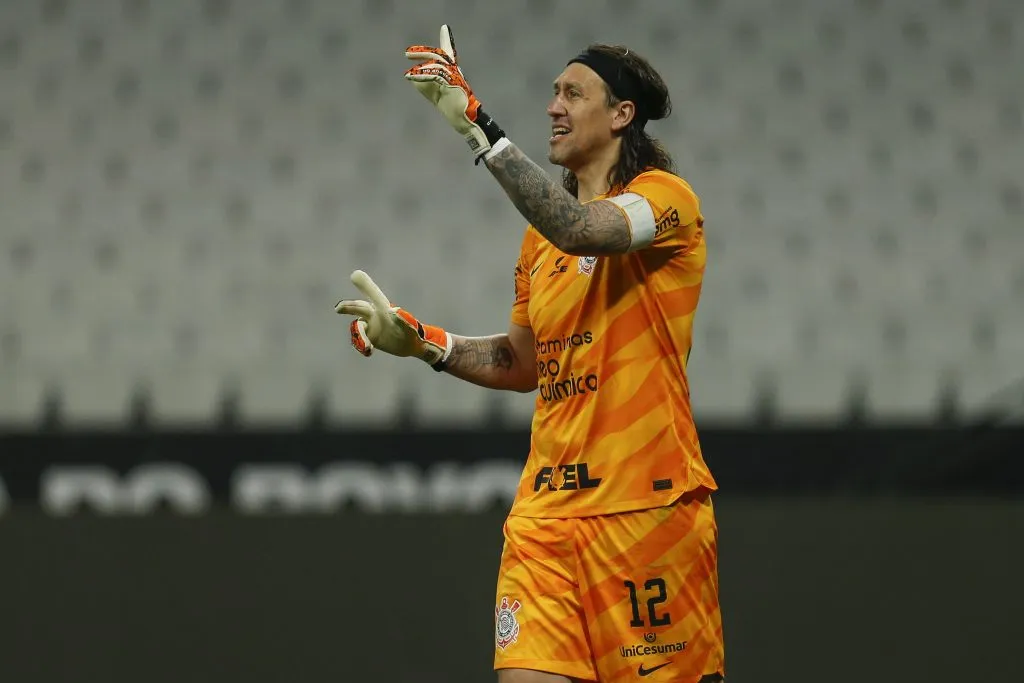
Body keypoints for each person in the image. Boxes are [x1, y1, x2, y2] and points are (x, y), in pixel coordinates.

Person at [336, 25, 725, 683]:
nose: (554, 106)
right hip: (545, 520)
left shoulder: (666, 202)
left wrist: (478, 128)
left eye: (573, 93)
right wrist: (425, 342)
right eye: (552, 93)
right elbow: (525, 361)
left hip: (644, 512)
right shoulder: (536, 244)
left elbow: (578, 229)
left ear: (622, 114)